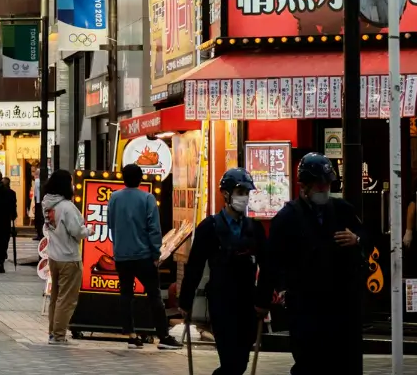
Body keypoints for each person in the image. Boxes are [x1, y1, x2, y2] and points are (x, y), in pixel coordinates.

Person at [260, 153, 367, 375]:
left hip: (340, 303)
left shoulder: (342, 210)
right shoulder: (287, 218)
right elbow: (271, 261)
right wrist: (262, 301)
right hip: (304, 304)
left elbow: (369, 237)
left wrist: (357, 240)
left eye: (327, 183)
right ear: (304, 186)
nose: (324, 188)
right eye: (319, 184)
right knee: (308, 363)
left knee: (341, 362)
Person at [179, 168, 269, 375]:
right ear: (226, 194)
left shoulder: (254, 229)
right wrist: (185, 302)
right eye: (240, 192)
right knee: (231, 360)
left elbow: (267, 265)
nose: (244, 197)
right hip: (221, 300)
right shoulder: (209, 227)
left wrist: (263, 300)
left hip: (248, 302)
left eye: (247, 192)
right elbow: (195, 266)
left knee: (242, 361)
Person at [109, 163, 180, 348]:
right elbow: (154, 229)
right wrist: (156, 253)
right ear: (140, 178)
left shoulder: (114, 198)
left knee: (126, 294)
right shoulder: (147, 198)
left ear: (123, 178)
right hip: (144, 256)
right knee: (154, 295)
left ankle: (131, 335)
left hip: (122, 255)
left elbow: (110, 224)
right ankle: (163, 336)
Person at [41, 169, 85, 344]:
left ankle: (53, 331)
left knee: (56, 296)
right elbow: (76, 231)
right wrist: (88, 230)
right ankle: (58, 335)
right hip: (69, 257)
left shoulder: (48, 204)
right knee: (67, 299)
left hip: (54, 256)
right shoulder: (67, 206)